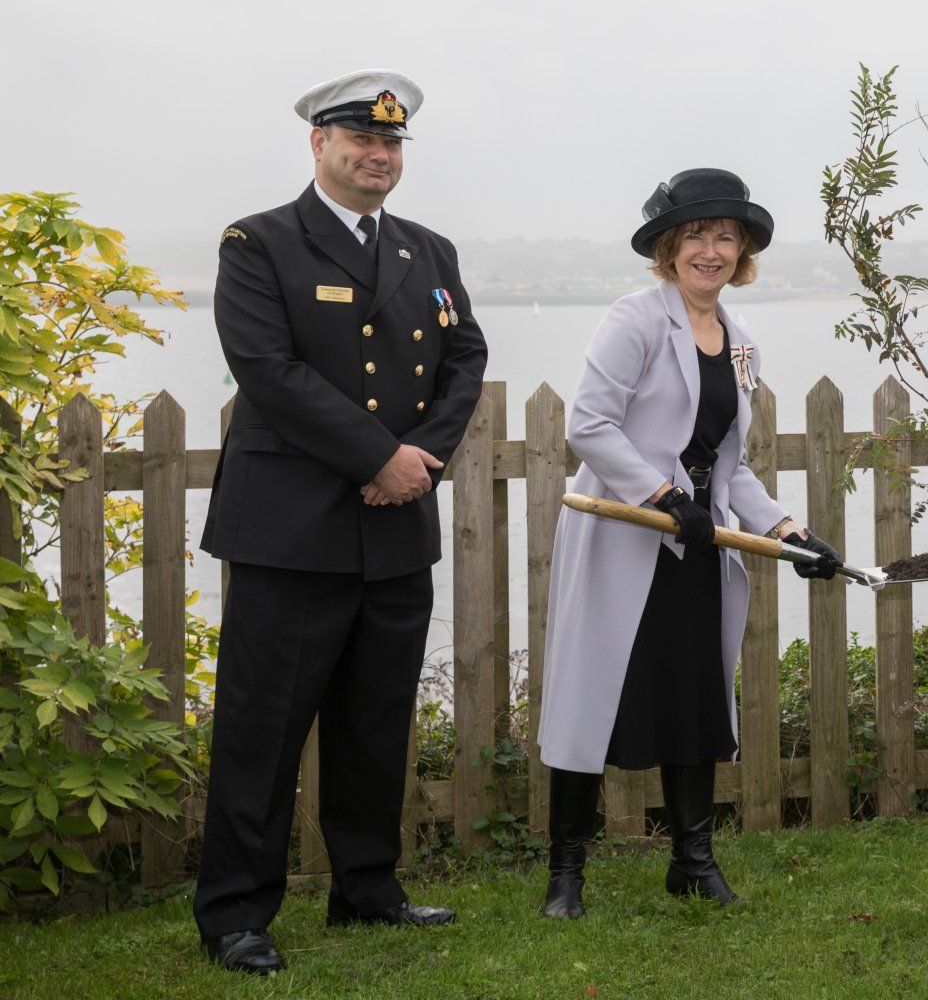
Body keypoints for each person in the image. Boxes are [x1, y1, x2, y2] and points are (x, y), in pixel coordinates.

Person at [195, 70, 488, 975]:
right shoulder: (260, 243)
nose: (379, 154)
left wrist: (421, 459)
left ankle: (367, 889)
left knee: (375, 720)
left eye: (392, 142)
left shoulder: (425, 250)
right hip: (291, 532)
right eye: (361, 139)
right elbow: (268, 371)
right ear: (318, 145)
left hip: (395, 528)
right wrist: (378, 458)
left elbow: (465, 357)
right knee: (262, 729)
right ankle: (237, 915)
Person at [535, 168, 842, 917]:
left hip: (698, 551)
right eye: (697, 236)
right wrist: (662, 494)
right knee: (591, 703)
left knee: (695, 702)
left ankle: (693, 863)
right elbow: (589, 427)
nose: (712, 251)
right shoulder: (635, 319)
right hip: (625, 540)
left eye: (726, 237)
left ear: (743, 253)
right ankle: (565, 876)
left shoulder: (742, 346)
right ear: (669, 249)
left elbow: (728, 467)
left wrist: (788, 530)